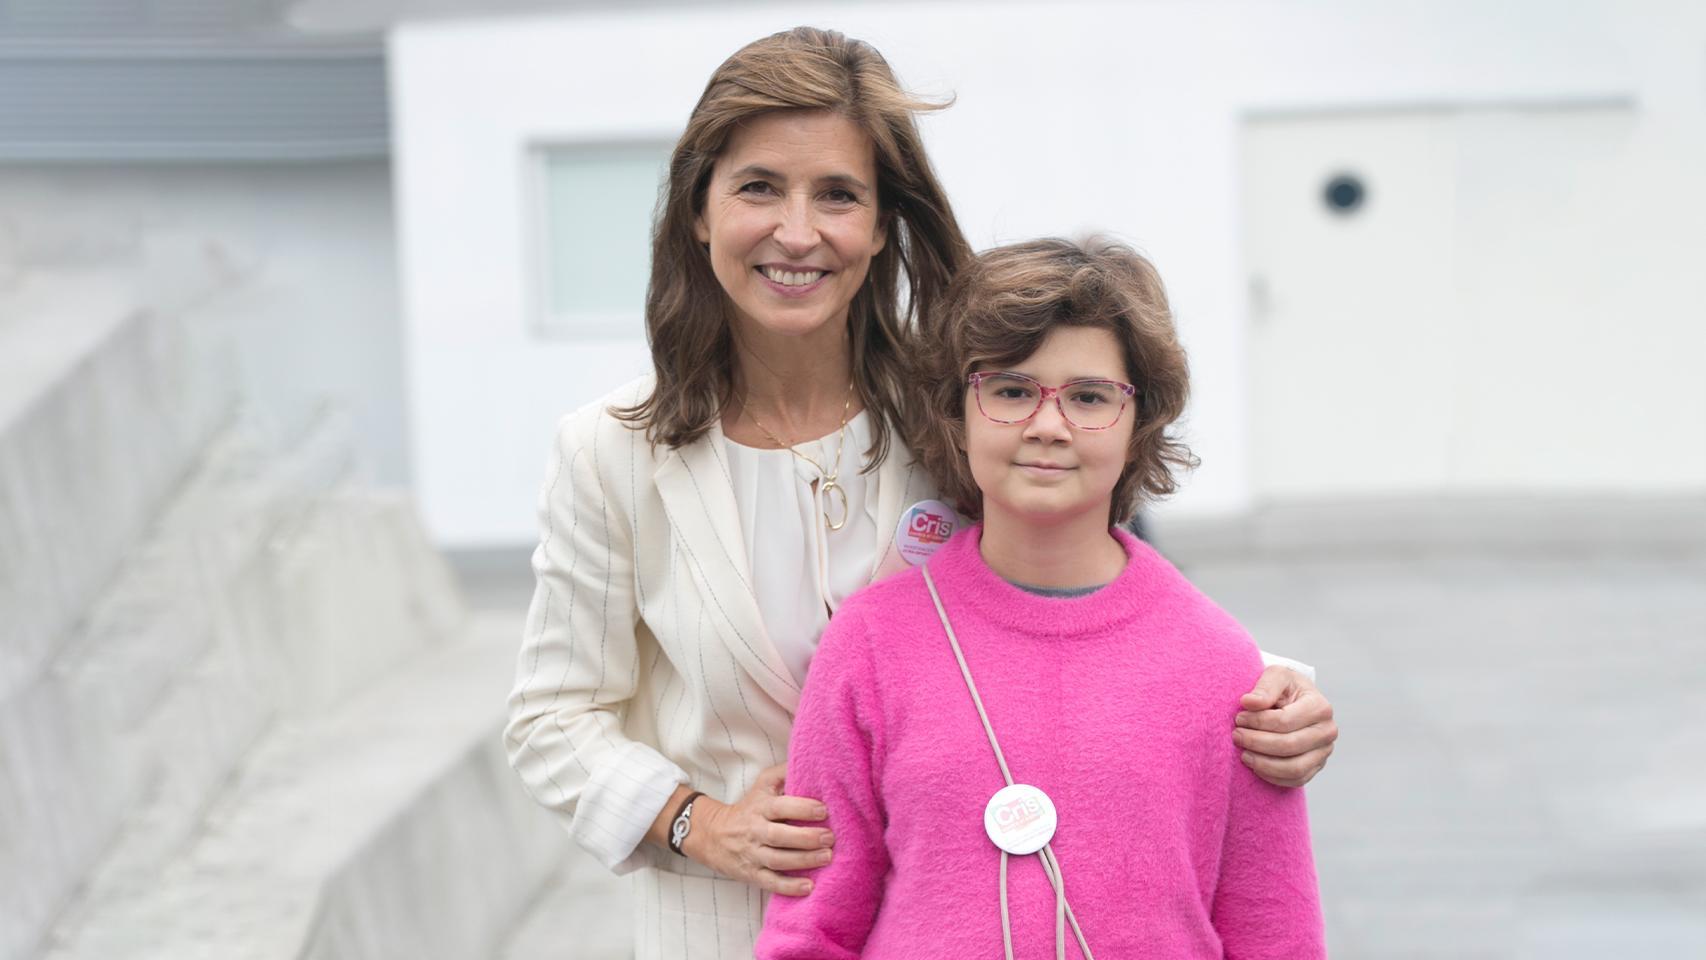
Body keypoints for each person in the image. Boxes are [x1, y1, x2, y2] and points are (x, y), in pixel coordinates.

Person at [504, 28, 1336, 958]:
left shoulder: (963, 413)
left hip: (951, 912)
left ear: (882, 225)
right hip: (719, 923)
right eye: (757, 187)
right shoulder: (609, 453)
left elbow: (1079, 597)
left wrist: (1274, 688)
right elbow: (551, 717)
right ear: (698, 211)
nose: (796, 230)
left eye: (838, 195)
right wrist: (698, 821)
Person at [756, 238, 1325, 958]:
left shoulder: (1223, 664)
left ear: (1138, 422)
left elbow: (1276, 935)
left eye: (1089, 396)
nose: (1048, 425)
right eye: (1012, 390)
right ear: (957, 412)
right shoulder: (869, 645)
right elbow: (813, 930)